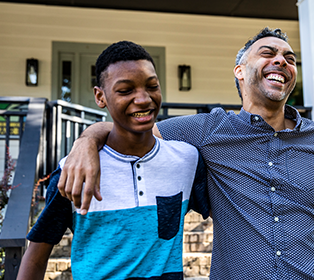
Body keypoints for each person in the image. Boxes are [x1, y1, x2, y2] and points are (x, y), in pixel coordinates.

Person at [57, 27, 314, 279]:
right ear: (240, 72)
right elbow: (132, 130)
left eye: (289, 58)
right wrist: (88, 139)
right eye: (267, 54)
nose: (282, 61)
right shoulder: (207, 130)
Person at [17, 41, 209, 280]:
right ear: (100, 96)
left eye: (152, 86)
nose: (143, 99)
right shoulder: (73, 171)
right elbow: (36, 256)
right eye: (126, 90)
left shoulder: (187, 160)